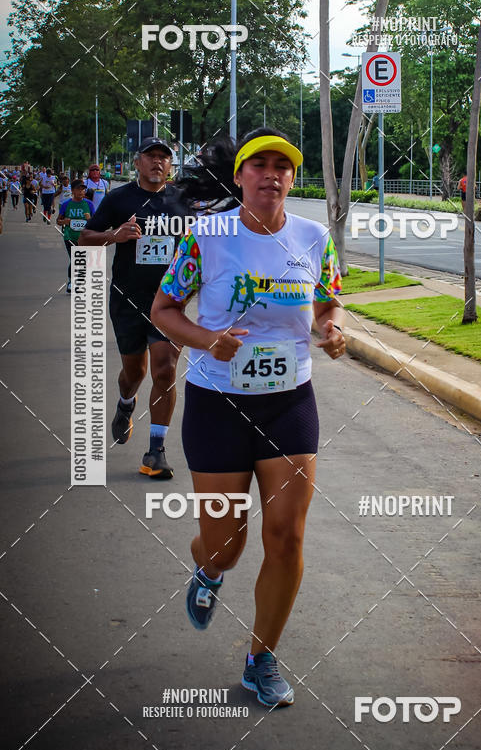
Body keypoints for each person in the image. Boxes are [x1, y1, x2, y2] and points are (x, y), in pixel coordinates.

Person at [151, 128, 345, 707]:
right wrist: (207, 340)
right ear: (239, 177)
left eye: (282, 166)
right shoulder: (206, 236)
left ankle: (261, 659)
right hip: (218, 405)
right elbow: (164, 309)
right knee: (225, 545)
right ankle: (208, 570)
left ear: (292, 178)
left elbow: (328, 300)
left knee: (286, 535)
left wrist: (331, 328)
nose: (271, 174)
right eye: (258, 165)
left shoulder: (312, 237)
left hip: (290, 403)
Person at [79, 138, 183, 479]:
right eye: (151, 156)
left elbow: (202, 243)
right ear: (137, 163)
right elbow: (84, 238)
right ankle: (126, 403)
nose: (157, 162)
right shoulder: (119, 199)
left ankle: (156, 451)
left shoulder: (182, 201)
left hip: (169, 302)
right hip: (127, 299)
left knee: (165, 370)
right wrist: (115, 236)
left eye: (164, 157)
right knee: (134, 373)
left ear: (170, 166)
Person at [56, 179, 95, 293]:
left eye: (83, 189)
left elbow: (95, 222)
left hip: (84, 237)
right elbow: (58, 221)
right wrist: (64, 221)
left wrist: (90, 219)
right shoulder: (66, 204)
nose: (81, 191)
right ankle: (71, 282)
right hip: (70, 236)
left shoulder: (89, 204)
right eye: (78, 189)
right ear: (72, 190)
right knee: (74, 259)